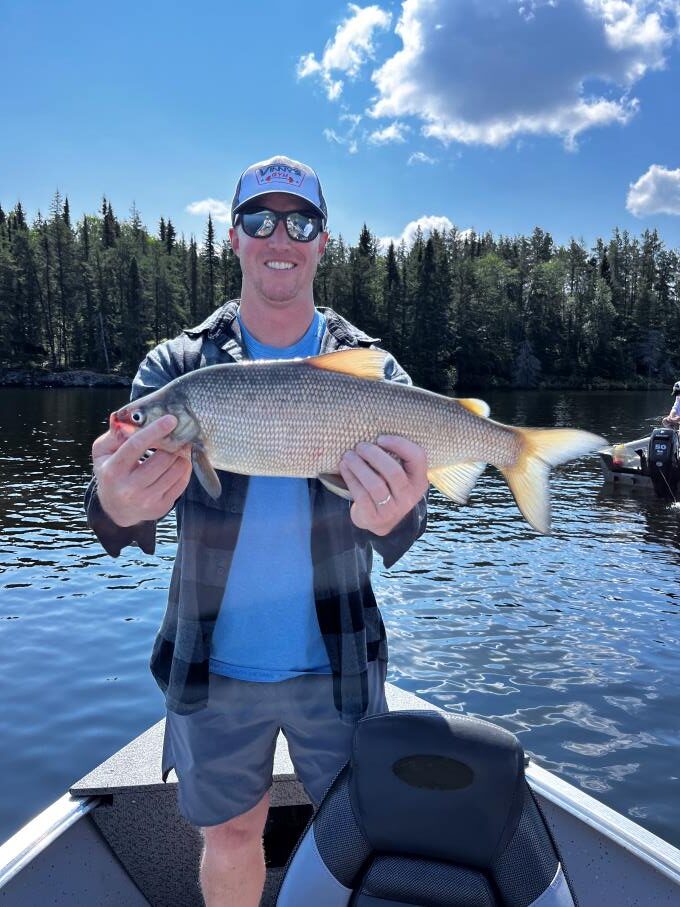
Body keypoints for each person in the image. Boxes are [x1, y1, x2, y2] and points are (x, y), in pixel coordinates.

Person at [85, 155, 429, 907]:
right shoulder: (177, 367)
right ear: (234, 238)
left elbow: (408, 522)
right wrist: (116, 499)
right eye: (259, 218)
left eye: (300, 220)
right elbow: (115, 512)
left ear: (323, 242)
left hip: (337, 664)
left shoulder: (372, 369)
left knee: (353, 835)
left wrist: (394, 512)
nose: (281, 235)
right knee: (232, 835)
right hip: (211, 667)